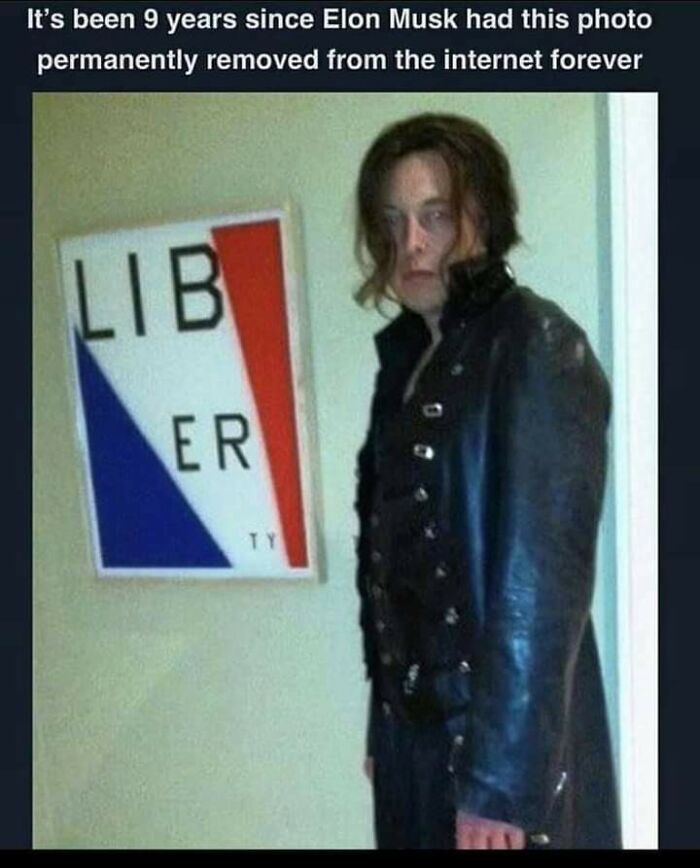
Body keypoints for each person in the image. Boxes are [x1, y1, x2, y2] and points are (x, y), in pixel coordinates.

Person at [353, 113, 622, 849]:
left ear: (484, 218)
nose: (411, 243)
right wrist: (386, 725)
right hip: (418, 742)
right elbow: (394, 569)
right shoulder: (408, 362)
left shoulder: (536, 343)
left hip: (499, 759)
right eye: (393, 221)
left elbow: (542, 584)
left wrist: (501, 786)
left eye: (435, 216)